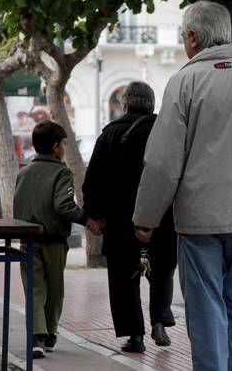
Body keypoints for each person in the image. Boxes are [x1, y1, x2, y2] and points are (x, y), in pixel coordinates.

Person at [131, 0, 232, 371]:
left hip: (199, 218)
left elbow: (162, 161)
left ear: (192, 36)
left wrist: (147, 217)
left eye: (183, 36)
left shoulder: (184, 82)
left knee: (206, 307)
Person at [83, 81, 177, 353]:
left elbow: (94, 180)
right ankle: (159, 318)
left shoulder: (111, 133)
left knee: (125, 277)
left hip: (122, 222)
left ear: (125, 105)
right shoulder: (165, 132)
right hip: (162, 219)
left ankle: (135, 336)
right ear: (151, 105)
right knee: (159, 269)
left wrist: (96, 216)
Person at [13, 121, 101, 359]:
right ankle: (49, 333)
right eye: (63, 143)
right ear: (55, 147)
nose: (64, 148)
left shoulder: (23, 172)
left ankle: (36, 337)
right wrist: (87, 220)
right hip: (53, 239)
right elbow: (63, 205)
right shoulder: (61, 172)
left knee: (34, 288)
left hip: (27, 239)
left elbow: (18, 204)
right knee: (55, 289)